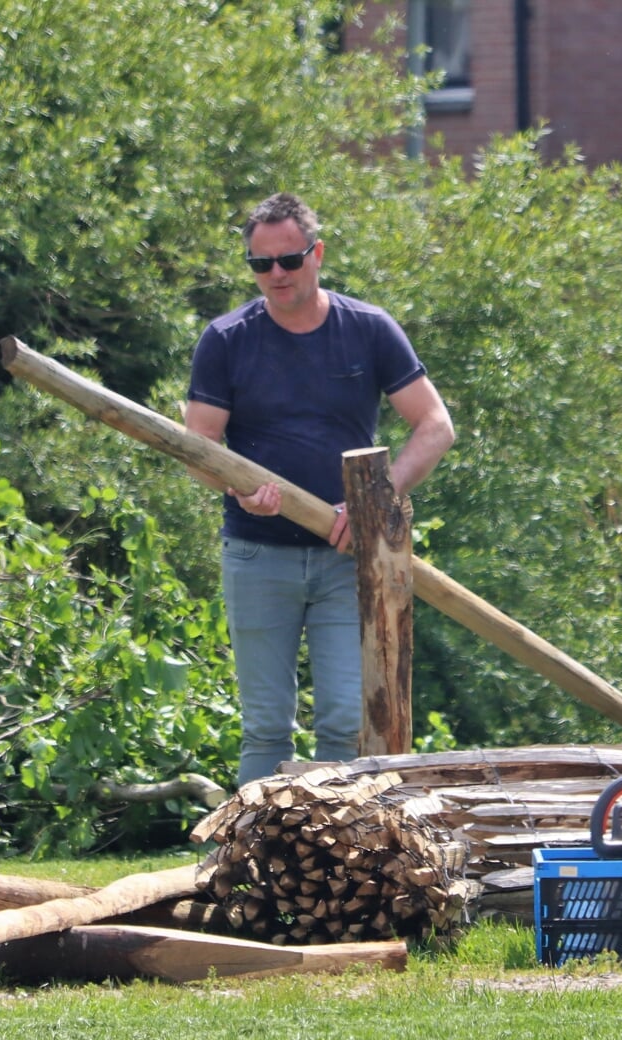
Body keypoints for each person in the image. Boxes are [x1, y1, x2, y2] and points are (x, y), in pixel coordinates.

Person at [186, 193, 455, 784]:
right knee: (265, 725)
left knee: (342, 718)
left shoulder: (368, 328)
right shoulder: (226, 338)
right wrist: (234, 486)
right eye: (262, 265)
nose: (276, 275)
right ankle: (250, 865)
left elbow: (436, 427)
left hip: (348, 557)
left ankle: (337, 867)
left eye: (289, 260)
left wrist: (372, 504)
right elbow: (199, 446)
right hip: (257, 555)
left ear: (317, 254)